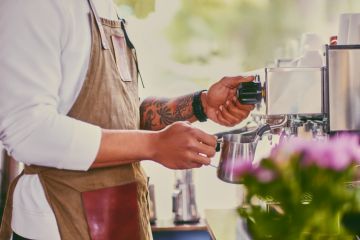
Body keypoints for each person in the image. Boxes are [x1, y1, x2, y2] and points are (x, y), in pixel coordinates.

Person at [0, 0, 254, 239]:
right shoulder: (35, 5)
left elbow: (123, 118)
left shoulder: (106, 8)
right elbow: (28, 130)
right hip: (58, 220)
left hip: (119, 214)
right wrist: (155, 145)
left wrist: (201, 104)